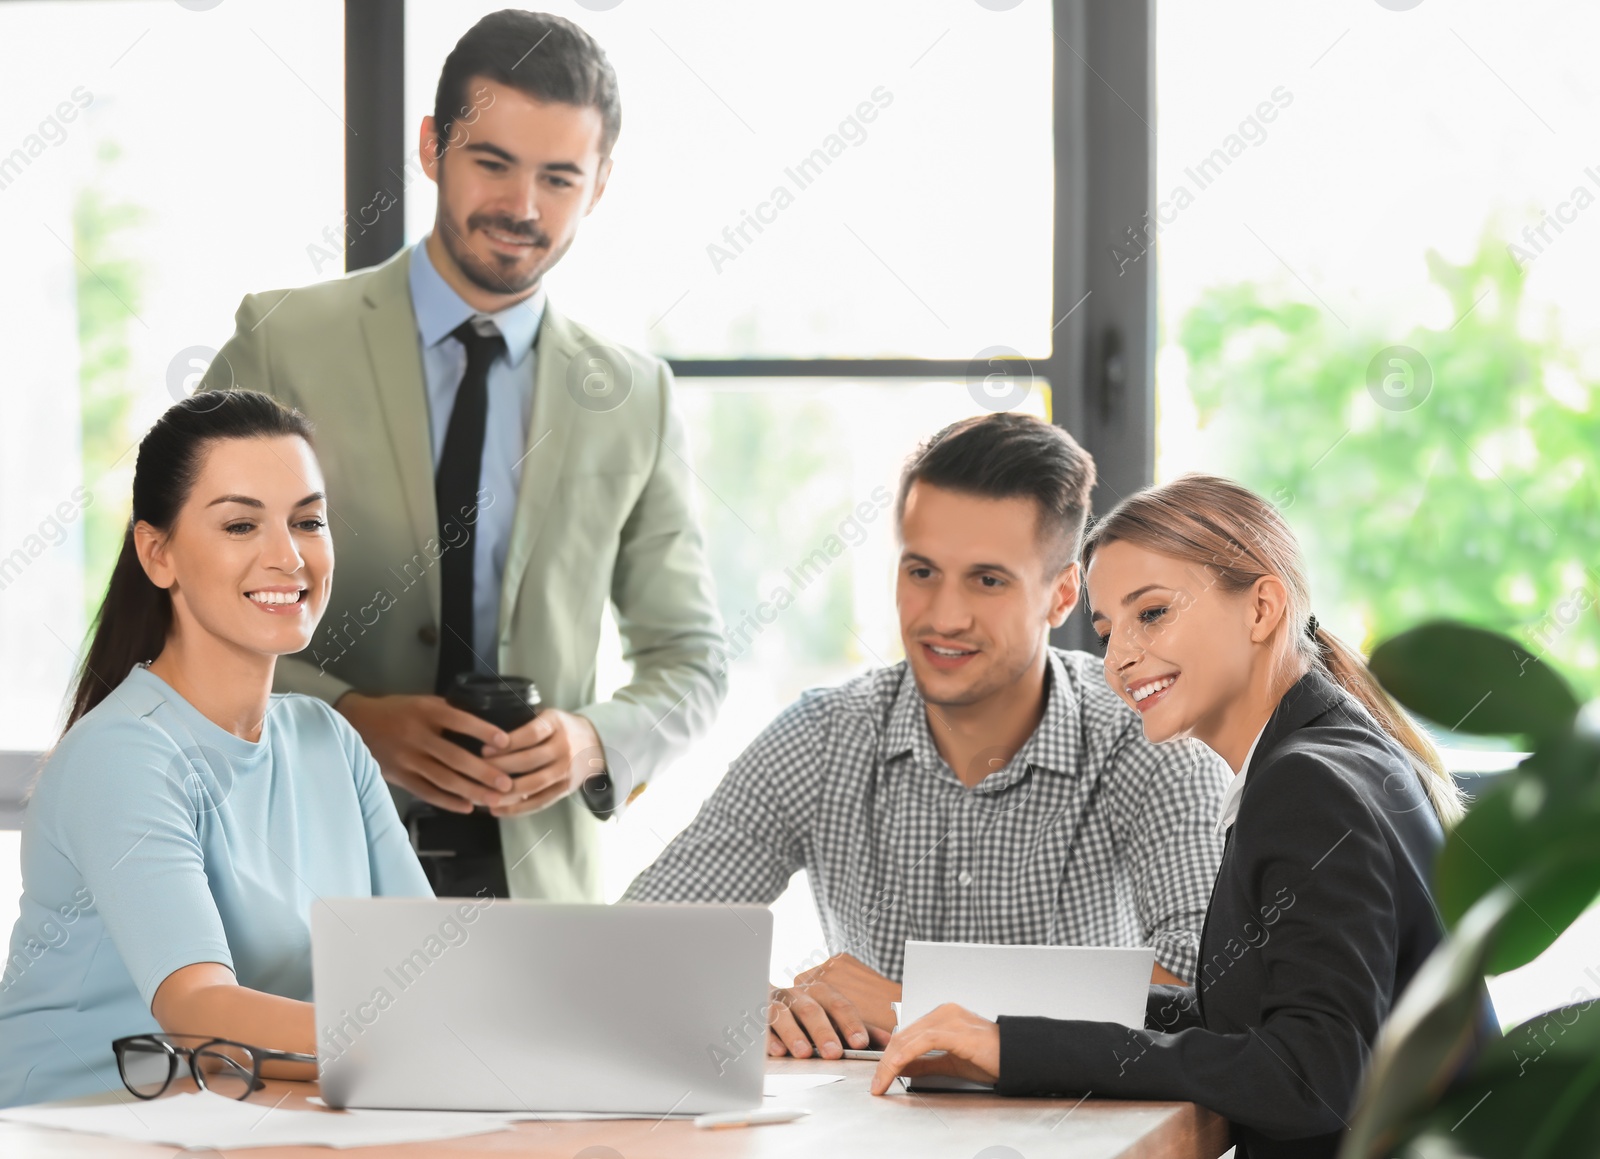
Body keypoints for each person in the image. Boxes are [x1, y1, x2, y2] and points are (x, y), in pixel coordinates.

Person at [199, 9, 725, 901]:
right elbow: (183, 604)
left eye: (559, 177)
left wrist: (594, 738)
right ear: (432, 147)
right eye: (492, 163)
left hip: (538, 896)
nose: (523, 208)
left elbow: (691, 659)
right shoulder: (282, 340)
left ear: (598, 184)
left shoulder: (636, 396)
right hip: (301, 868)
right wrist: (344, 719)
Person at [871, 473, 1468, 1159]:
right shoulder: (1330, 753)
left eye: (1150, 613)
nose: (1119, 656)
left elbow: (1314, 1071)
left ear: (1262, 608)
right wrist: (996, 1026)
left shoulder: (1306, 783)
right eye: (1106, 629)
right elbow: (1246, 1016)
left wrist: (1015, 1045)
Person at [625, 414, 1229, 1060]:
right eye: (921, 572)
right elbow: (631, 950)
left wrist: (906, 1005)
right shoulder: (824, 737)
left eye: (988, 579)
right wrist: (765, 1005)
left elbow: (1206, 992)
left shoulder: (1149, 743)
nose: (944, 616)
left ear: (1060, 597)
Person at [0, 392, 431, 1108]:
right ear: (157, 553)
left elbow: (422, 963)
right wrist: (407, 1043)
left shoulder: (328, 740)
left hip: (252, 1114)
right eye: (240, 523)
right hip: (75, 1128)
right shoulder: (125, 754)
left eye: (308, 521)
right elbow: (197, 1010)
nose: (288, 555)